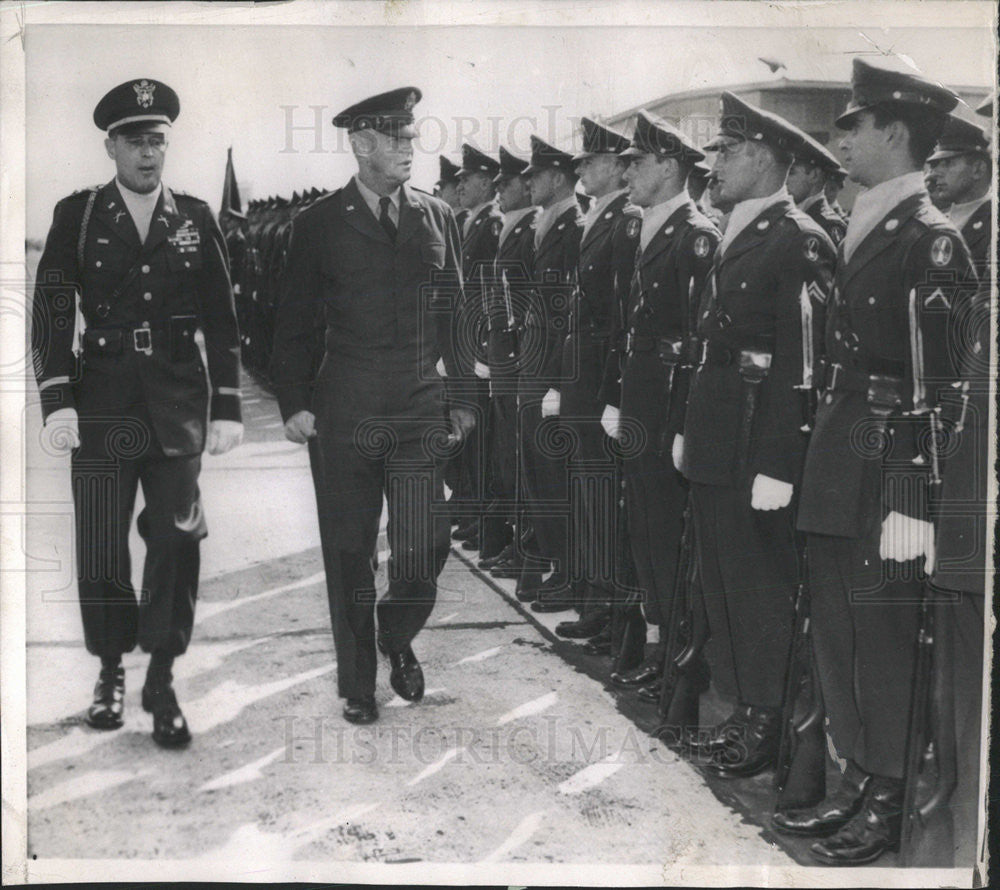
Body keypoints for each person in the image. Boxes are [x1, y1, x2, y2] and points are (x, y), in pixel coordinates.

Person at [789, 59, 974, 865]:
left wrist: (915, 499)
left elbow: (944, 391)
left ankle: (890, 795)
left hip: (888, 463)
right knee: (839, 628)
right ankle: (860, 780)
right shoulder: (870, 219)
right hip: (839, 446)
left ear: (895, 133)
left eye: (853, 124)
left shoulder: (931, 242)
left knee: (886, 636)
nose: (841, 138)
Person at [31, 79, 243, 747]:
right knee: (100, 544)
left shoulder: (195, 216)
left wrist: (229, 404)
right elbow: (53, 310)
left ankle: (162, 673)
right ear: (111, 146)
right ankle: (110, 669)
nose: (149, 155)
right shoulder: (81, 215)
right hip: (102, 402)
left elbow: (223, 317)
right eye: (135, 141)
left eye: (158, 141)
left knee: (178, 537)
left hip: (178, 398)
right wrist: (57, 398)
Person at [269, 87, 475, 726]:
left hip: (418, 406)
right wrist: (295, 402)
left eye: (412, 137)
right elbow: (293, 322)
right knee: (349, 549)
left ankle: (396, 633)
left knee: (423, 545)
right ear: (361, 145)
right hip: (346, 408)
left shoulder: (437, 216)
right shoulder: (318, 223)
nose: (410, 148)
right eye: (397, 139)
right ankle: (359, 682)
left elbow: (458, 316)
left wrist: (464, 398)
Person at [676, 92, 835, 777]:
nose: (716, 165)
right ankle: (745, 711)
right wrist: (690, 429)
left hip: (755, 446)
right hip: (717, 436)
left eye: (730, 152)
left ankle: (767, 723)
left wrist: (779, 461)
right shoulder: (740, 227)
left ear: (767, 157)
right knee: (723, 583)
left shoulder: (797, 239)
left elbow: (802, 363)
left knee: (760, 589)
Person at [600, 111, 719, 703]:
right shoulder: (644, 226)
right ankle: (660, 645)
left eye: (637, 162)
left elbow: (700, 343)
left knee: (671, 537)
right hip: (642, 396)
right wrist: (616, 398)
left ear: (671, 167)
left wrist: (683, 426)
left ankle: (683, 661)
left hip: (670, 403)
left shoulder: (696, 235)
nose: (627, 173)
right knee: (645, 529)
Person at [537, 117, 640, 632]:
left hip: (600, 376)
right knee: (586, 488)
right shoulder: (603, 215)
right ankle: (591, 592)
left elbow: (622, 315)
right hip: (581, 375)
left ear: (621, 168)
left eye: (591, 161)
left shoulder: (627, 220)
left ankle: (606, 607)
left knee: (601, 490)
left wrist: (611, 392)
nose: (581, 169)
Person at [517, 136, 584, 606]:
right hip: (532, 361)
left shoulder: (575, 227)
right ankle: (545, 560)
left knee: (554, 474)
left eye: (534, 176)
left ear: (557, 178)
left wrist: (559, 381)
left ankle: (564, 568)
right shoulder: (547, 224)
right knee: (536, 473)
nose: (528, 184)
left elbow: (574, 314)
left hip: (553, 368)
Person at [482, 146, 538, 577]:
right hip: (504, 361)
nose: (501, 190)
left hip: (523, 364)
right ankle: (518, 544)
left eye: (507, 183)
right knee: (508, 459)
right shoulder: (513, 229)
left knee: (525, 463)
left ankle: (529, 550)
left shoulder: (533, 229)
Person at [450, 144, 503, 554]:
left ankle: (481, 514)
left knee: (485, 438)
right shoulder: (472, 223)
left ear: (486, 182)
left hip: (484, 345)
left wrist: (482, 345)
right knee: (473, 437)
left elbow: (491, 293)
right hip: (471, 343)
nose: (460, 185)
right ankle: (471, 508)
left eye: (466, 179)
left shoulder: (493, 224)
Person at [785, 131, 848, 245]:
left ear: (814, 175)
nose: (784, 180)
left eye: (791, 172)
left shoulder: (828, 225)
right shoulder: (795, 215)